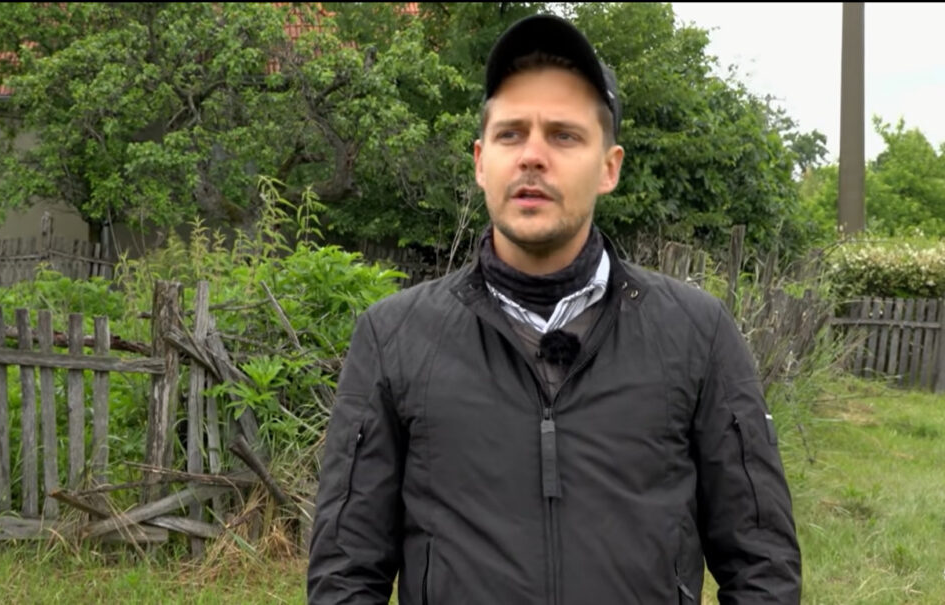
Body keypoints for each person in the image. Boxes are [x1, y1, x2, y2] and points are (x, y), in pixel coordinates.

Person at [307, 13, 801, 605]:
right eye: (510, 134)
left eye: (564, 136)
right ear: (480, 161)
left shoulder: (696, 333)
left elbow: (763, 566)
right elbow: (344, 576)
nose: (533, 156)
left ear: (609, 167)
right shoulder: (394, 338)